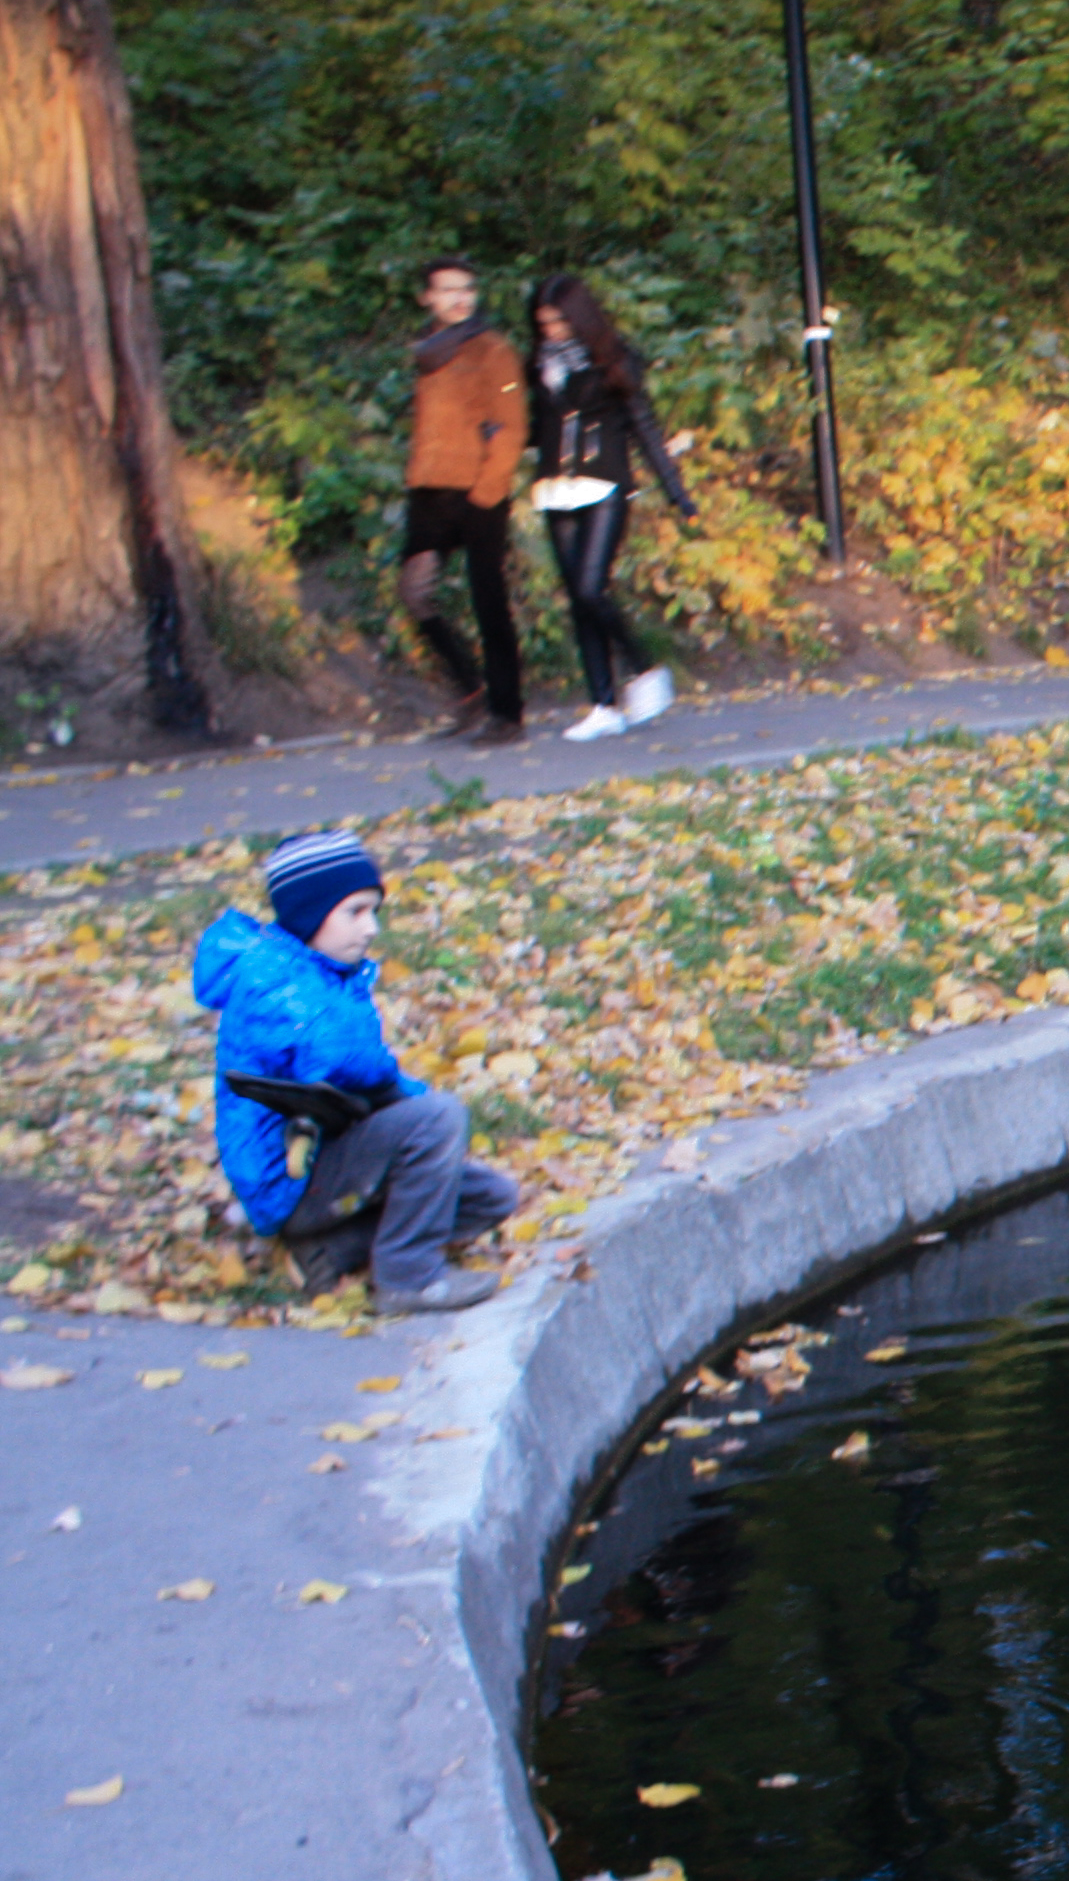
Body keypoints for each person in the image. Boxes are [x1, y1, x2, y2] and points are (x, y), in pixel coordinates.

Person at [192, 831, 518, 1314]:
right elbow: (337, 1057)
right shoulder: (272, 980)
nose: (371, 929)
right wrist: (409, 1099)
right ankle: (409, 1277)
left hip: (324, 1162)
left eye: (374, 911)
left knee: (490, 1197)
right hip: (290, 1180)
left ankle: (330, 1254)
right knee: (434, 1119)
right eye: (355, 912)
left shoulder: (321, 973)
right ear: (307, 912)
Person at [520, 274, 693, 742]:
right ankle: (602, 704)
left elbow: (644, 426)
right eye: (543, 323)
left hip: (606, 484)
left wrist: (677, 493)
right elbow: (538, 428)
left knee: (592, 587)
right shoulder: (537, 364)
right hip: (556, 488)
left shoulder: (616, 362)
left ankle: (645, 669)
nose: (552, 330)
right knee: (578, 598)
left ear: (580, 318)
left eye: (559, 321)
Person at [402, 258, 529, 745]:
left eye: (467, 289)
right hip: (429, 488)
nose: (460, 298)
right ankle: (470, 695)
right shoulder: (429, 351)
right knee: (415, 592)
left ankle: (507, 713)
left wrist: (488, 491)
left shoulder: (492, 349)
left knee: (488, 601)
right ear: (427, 298)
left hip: (478, 490)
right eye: (448, 290)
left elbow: (511, 426)